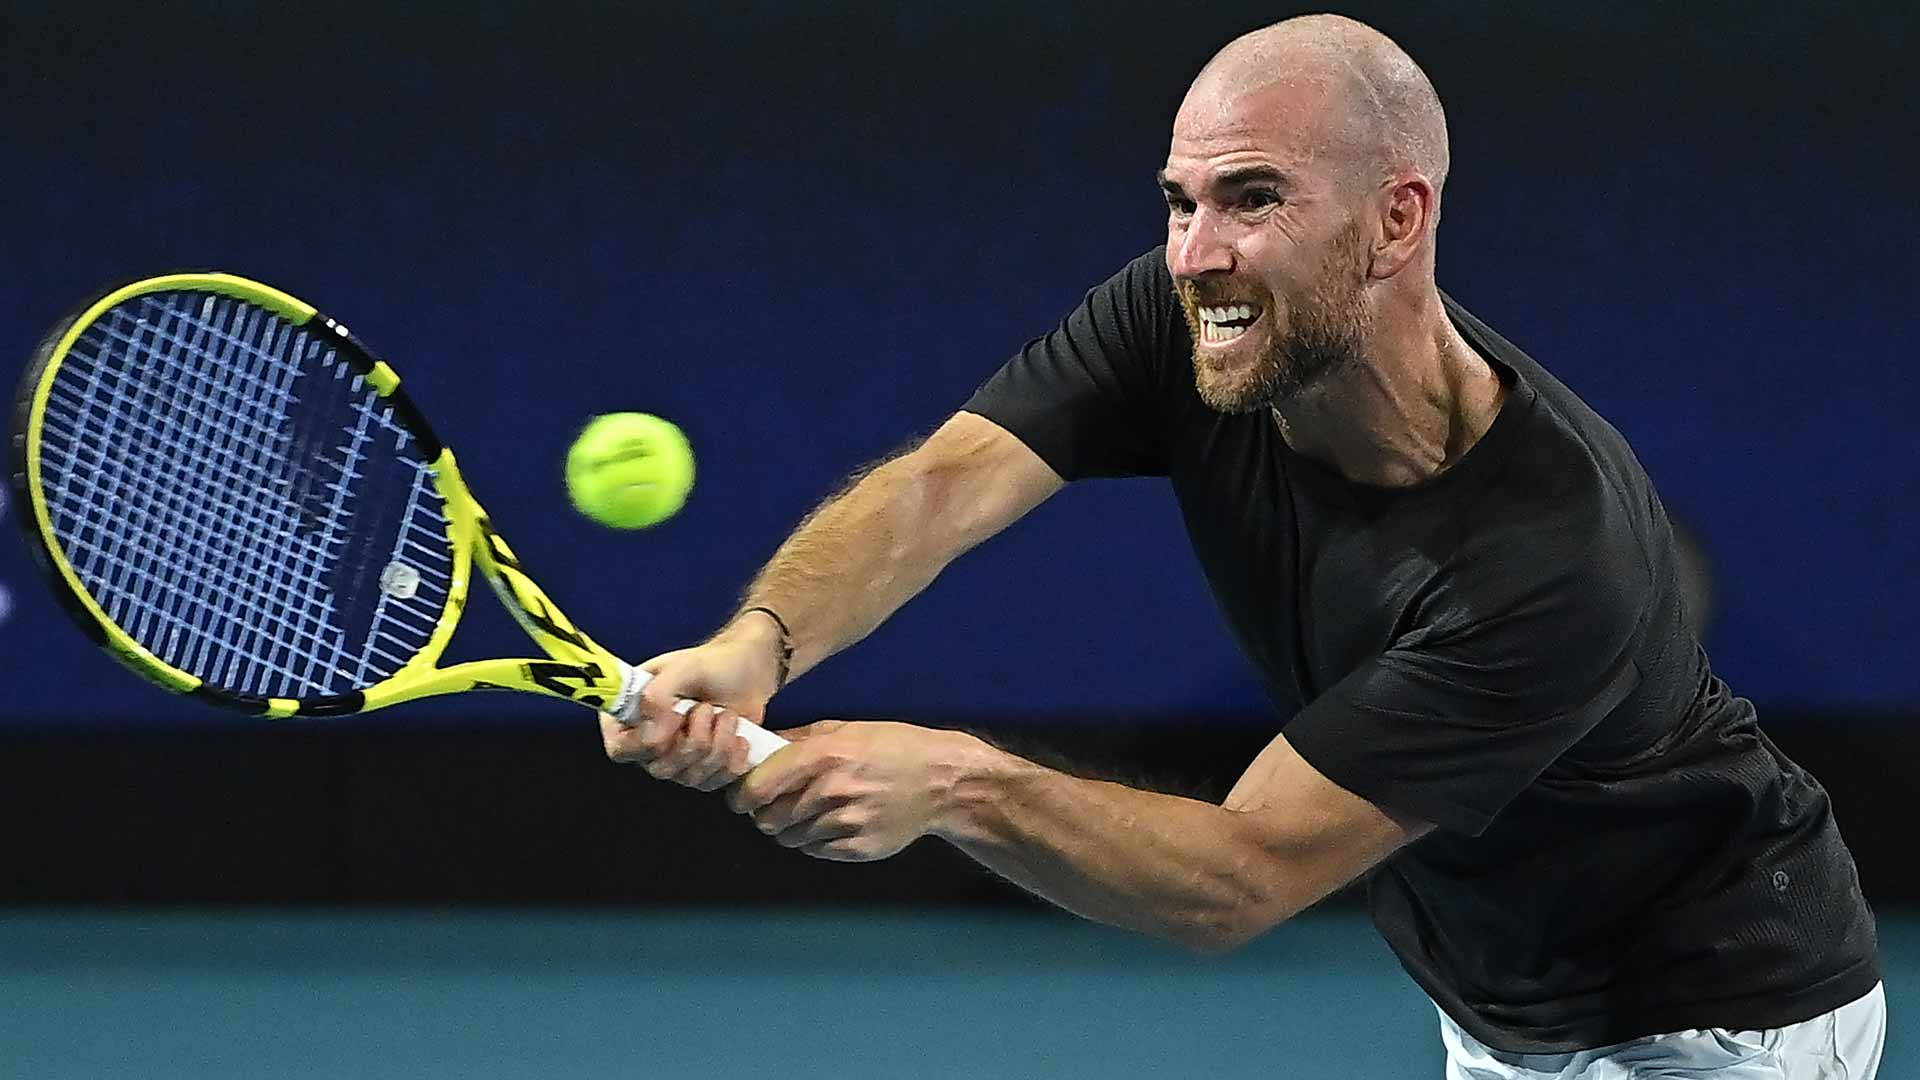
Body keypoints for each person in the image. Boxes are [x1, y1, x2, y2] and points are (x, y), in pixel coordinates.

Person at [601, 14, 1885, 1077]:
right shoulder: (1192, 316)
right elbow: (942, 485)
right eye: (1179, 201)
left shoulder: (1548, 560)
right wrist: (757, 641)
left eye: (1252, 199)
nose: (1197, 254)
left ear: (1397, 221)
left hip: (1716, 1022)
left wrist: (955, 784)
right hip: (1503, 1002)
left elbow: (1240, 877)